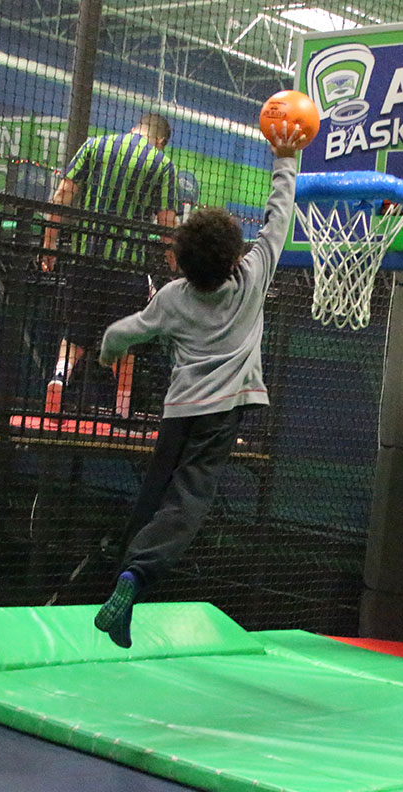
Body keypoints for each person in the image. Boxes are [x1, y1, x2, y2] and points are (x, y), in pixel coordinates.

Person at [93, 122, 306, 648]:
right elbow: (279, 217)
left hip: (178, 410)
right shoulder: (253, 276)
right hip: (221, 413)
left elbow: (126, 331)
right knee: (189, 498)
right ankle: (135, 577)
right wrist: (286, 156)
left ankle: (120, 579)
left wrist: (107, 351)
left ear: (182, 262)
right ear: (235, 254)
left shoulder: (172, 296)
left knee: (156, 492)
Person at [41, 113, 178, 416]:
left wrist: (49, 242)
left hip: (84, 257)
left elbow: (62, 195)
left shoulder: (95, 146)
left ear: (134, 128)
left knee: (75, 331)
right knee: (125, 339)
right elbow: (167, 222)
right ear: (161, 141)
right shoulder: (161, 163)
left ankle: (60, 375)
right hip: (128, 265)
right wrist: (174, 265)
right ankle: (122, 408)